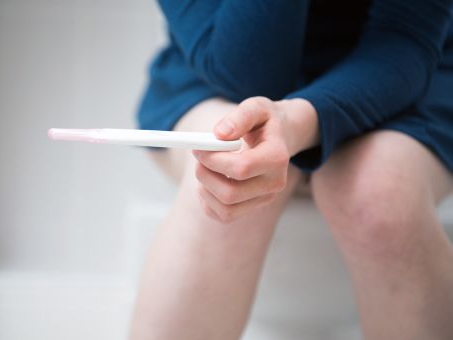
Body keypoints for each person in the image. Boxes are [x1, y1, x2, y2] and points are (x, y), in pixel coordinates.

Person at [128, 1, 453, 339]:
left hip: (407, 75)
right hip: (214, 66)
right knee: (232, 171)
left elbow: (403, 42)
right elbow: (247, 76)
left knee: (383, 195)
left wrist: (299, 122)